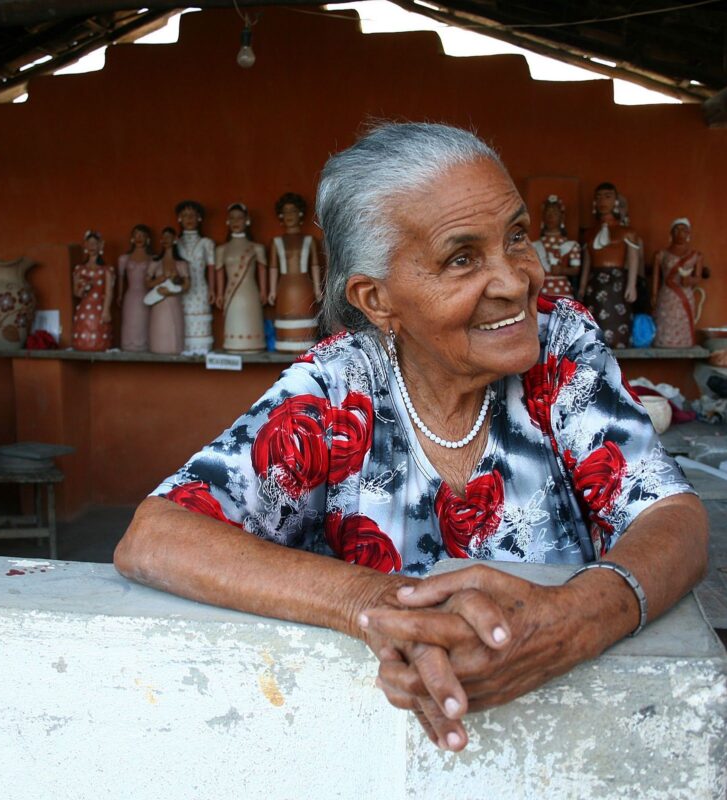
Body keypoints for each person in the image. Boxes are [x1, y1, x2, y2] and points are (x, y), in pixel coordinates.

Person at [115, 123, 707, 753]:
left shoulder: (559, 346)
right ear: (378, 301)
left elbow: (676, 519)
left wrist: (578, 619)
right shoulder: (337, 387)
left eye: (515, 237)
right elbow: (155, 538)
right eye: (462, 258)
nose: (517, 282)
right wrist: (378, 603)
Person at [578, 183, 641, 348]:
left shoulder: (627, 232)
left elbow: (634, 259)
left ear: (616, 201)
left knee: (617, 323)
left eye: (607, 196)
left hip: (617, 283)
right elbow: (587, 262)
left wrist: (632, 285)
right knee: (594, 328)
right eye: (598, 197)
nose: (602, 201)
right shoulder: (589, 233)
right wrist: (582, 287)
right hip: (595, 283)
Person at [268, 192, 322, 353]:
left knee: (305, 319)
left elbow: (314, 266)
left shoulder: (309, 241)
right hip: (284, 288)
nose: (289, 215)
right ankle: (286, 344)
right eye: (285, 212)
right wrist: (271, 290)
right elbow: (273, 268)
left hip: (305, 287)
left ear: (300, 214)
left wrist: (318, 288)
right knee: (286, 320)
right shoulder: (276, 242)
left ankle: (305, 345)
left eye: (292, 211)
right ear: (280, 216)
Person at [216, 203, 268, 352]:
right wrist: (219, 294)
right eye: (232, 218)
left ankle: (254, 344)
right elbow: (219, 273)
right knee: (234, 322)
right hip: (231, 294)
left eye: (239, 218)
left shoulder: (257, 248)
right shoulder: (222, 249)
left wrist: (264, 291)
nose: (235, 221)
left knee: (250, 320)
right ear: (227, 221)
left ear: (247, 220)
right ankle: (233, 344)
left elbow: (262, 271)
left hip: (250, 293)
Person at [652, 218, 705, 348]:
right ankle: (663, 343)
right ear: (671, 233)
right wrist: (653, 295)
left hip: (685, 295)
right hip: (667, 295)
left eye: (684, 230)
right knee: (666, 321)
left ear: (689, 234)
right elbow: (656, 278)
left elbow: (698, 277)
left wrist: (690, 280)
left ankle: (684, 343)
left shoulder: (696, 255)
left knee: (683, 321)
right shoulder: (661, 255)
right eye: (677, 229)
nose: (680, 233)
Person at [175, 200, 216, 353]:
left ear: (199, 218)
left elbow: (211, 268)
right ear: (179, 218)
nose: (189, 219)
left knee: (200, 322)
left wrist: (213, 290)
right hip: (181, 290)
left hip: (200, 288)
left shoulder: (207, 243)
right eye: (185, 215)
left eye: (192, 215)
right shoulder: (175, 242)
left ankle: (201, 350)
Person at [146, 226, 190, 355]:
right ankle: (157, 347)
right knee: (159, 326)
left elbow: (187, 285)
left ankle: (174, 347)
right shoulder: (155, 262)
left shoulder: (181, 263)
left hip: (173, 300)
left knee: (173, 327)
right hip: (158, 301)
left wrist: (172, 291)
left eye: (168, 237)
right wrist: (162, 278)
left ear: (175, 239)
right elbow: (148, 283)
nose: (165, 239)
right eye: (163, 237)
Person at [72, 230, 114, 352]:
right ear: (85, 245)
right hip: (84, 308)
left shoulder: (106, 269)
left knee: (98, 339)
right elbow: (76, 293)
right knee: (83, 337)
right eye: (89, 243)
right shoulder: (79, 269)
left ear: (100, 246)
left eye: (95, 243)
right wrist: (84, 288)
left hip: (98, 308)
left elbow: (109, 292)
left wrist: (106, 310)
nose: (92, 247)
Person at [532, 194, 580, 298]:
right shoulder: (534, 245)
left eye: (554, 213)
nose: (551, 216)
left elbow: (576, 270)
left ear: (562, 217)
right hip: (541, 291)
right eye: (548, 213)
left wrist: (562, 270)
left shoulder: (571, 245)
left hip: (563, 290)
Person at [117, 224, 154, 352]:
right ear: (132, 238)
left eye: (142, 235)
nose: (139, 238)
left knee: (143, 322)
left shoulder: (153, 259)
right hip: (130, 295)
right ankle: (128, 346)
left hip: (147, 295)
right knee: (130, 321)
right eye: (136, 235)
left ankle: (145, 345)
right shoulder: (124, 259)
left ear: (148, 239)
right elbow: (121, 279)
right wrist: (119, 295)